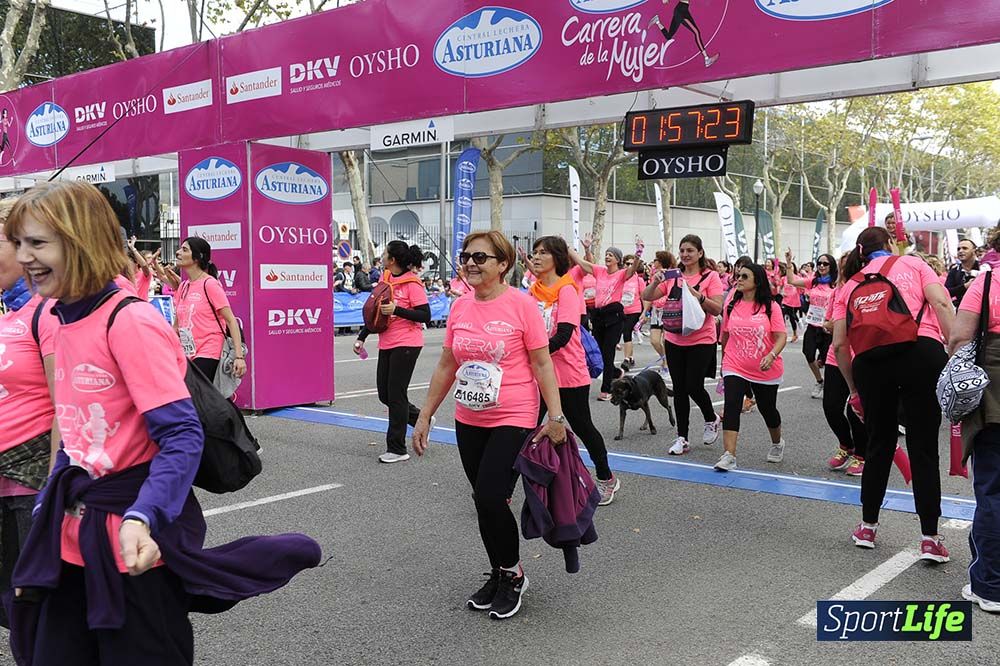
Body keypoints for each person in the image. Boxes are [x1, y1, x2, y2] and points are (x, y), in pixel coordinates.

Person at [6, 180, 320, 664]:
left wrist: (143, 516)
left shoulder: (129, 321)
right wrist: (53, 492)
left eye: (38, 243)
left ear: (81, 239)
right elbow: (76, 428)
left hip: (135, 545)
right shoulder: (57, 315)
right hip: (71, 541)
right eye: (20, 242)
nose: (24, 256)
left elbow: (181, 434)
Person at [411, 230, 567, 621]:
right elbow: (448, 363)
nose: (470, 263)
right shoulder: (461, 307)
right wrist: (426, 414)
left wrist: (556, 416)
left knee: (490, 495)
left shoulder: (522, 305)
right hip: (469, 415)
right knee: (485, 502)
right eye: (467, 256)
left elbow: (542, 364)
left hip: (513, 413)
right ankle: (499, 570)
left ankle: (513, 574)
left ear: (503, 264)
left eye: (481, 258)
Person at [831, 226, 954, 560]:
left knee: (878, 444)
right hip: (922, 351)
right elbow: (941, 302)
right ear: (889, 244)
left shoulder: (851, 284)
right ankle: (930, 537)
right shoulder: (914, 264)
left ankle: (867, 527)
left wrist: (854, 388)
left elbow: (840, 345)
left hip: (871, 362)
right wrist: (957, 352)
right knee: (924, 446)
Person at [0, 198, 58, 628]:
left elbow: (67, 407)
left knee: (37, 613)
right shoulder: (11, 307)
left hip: (31, 481)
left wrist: (58, 489)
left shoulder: (50, 310)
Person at [529, 235, 619, 505]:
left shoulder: (567, 289)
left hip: (568, 374)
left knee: (583, 427)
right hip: (538, 373)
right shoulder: (533, 290)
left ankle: (606, 478)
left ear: (557, 258)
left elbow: (564, 335)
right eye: (534, 252)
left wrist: (534, 351)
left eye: (542, 252)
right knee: (526, 427)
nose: (536, 256)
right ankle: (512, 485)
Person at [949, 233, 1000, 612]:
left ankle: (990, 585)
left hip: (994, 392)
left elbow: (960, 336)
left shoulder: (986, 282)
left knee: (994, 489)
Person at [642, 234, 724, 455]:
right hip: (674, 338)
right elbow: (646, 295)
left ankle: (711, 417)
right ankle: (682, 438)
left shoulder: (711, 277)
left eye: (690, 250)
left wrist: (696, 294)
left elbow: (717, 309)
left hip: (702, 339)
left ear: (700, 252)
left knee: (693, 386)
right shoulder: (672, 277)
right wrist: (656, 281)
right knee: (679, 390)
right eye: (682, 250)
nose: (686, 254)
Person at [354, 241, 430, 464]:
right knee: (384, 395)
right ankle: (420, 419)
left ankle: (397, 448)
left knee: (396, 395)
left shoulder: (413, 283)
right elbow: (377, 310)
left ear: (393, 259)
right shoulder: (385, 278)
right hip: (387, 342)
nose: (383, 256)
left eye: (385, 253)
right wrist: (362, 336)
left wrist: (397, 309)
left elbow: (425, 315)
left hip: (407, 343)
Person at [715, 262, 787, 471]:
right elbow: (726, 333)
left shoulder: (770, 306)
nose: (739, 279)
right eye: (738, 276)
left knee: (767, 408)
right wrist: (724, 360)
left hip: (765, 367)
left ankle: (777, 442)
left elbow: (781, 336)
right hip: (735, 363)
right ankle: (729, 455)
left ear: (757, 281)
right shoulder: (731, 302)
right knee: (732, 405)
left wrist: (772, 355)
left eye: (744, 276)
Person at [569, 239, 637, 401]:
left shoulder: (621, 274)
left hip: (614, 317)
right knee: (598, 352)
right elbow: (581, 262)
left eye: (611, 255)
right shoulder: (599, 271)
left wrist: (638, 254)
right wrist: (567, 247)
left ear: (618, 260)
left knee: (608, 353)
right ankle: (615, 373)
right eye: (606, 254)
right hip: (599, 316)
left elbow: (633, 268)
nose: (607, 257)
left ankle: (607, 389)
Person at [172, 237, 246, 383]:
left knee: (198, 394)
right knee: (203, 399)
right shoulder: (183, 286)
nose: (178, 252)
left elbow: (230, 320)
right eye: (180, 249)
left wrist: (239, 357)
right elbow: (176, 326)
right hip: (188, 352)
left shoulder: (210, 284)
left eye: (184, 250)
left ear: (197, 258)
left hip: (209, 350)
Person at [822, 256, 866, 477]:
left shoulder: (868, 287)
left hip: (861, 355)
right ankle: (846, 445)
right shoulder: (837, 291)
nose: (844, 265)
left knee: (855, 408)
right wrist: (832, 325)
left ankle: (862, 454)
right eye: (842, 261)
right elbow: (828, 323)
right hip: (836, 355)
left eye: (848, 261)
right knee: (831, 406)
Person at [784, 250, 836, 399]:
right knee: (808, 353)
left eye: (825, 263)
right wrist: (788, 263)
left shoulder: (836, 284)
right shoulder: (813, 281)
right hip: (813, 325)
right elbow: (791, 281)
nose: (821, 266)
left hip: (828, 327)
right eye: (819, 263)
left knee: (828, 360)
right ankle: (819, 381)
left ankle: (833, 384)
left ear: (831, 266)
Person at [647, 0, 719, 67]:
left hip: (681, 10)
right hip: (681, 11)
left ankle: (657, 21)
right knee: (696, 32)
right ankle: (707, 59)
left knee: (669, 36)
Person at [644, 250, 676, 377]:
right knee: (654, 340)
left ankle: (667, 365)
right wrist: (645, 312)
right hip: (656, 312)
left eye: (656, 259)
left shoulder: (671, 274)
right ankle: (664, 360)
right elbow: (648, 295)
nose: (654, 262)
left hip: (668, 311)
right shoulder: (653, 274)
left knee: (667, 340)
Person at [619, 254, 647, 371]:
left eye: (632, 264)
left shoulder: (638, 279)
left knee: (627, 332)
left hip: (634, 310)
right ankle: (630, 357)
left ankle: (626, 359)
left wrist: (644, 312)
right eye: (627, 264)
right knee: (625, 333)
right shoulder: (620, 277)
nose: (629, 266)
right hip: (621, 311)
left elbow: (644, 297)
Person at [945, 238, 980, 307]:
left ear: (974, 251)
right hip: (962, 310)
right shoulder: (954, 271)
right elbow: (946, 292)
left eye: (965, 248)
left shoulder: (983, 268)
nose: (960, 251)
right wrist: (964, 286)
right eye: (958, 249)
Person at [780, 261, 800, 343]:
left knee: (792, 317)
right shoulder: (783, 278)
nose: (790, 268)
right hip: (785, 300)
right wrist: (782, 293)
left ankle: (795, 333)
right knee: (782, 316)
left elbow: (801, 289)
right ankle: (782, 334)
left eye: (792, 267)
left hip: (793, 301)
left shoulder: (797, 278)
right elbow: (780, 287)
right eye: (789, 267)